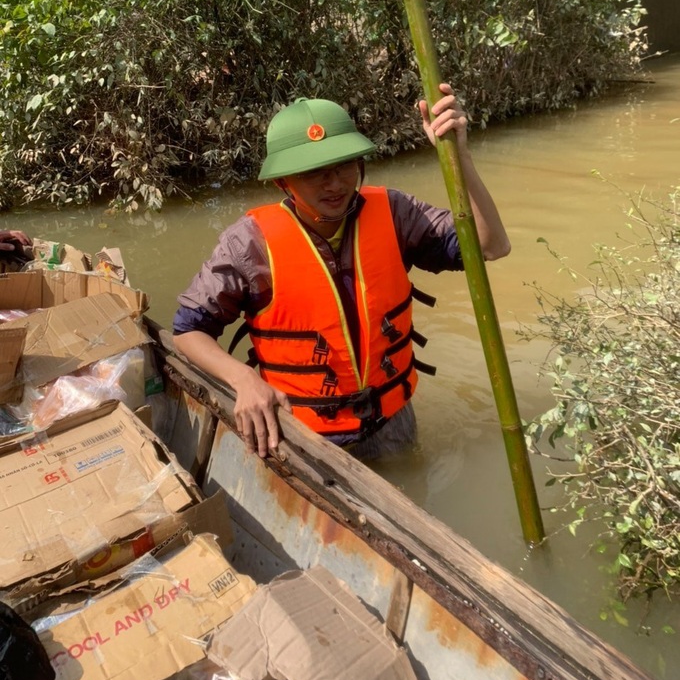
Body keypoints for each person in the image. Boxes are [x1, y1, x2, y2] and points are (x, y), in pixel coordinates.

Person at [173, 85, 510, 459]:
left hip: (393, 420)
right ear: (283, 181)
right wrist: (244, 380)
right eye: (314, 173)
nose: (334, 184)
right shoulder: (249, 243)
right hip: (301, 434)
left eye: (344, 165)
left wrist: (459, 156)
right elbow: (188, 331)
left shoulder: (396, 214)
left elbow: (492, 246)